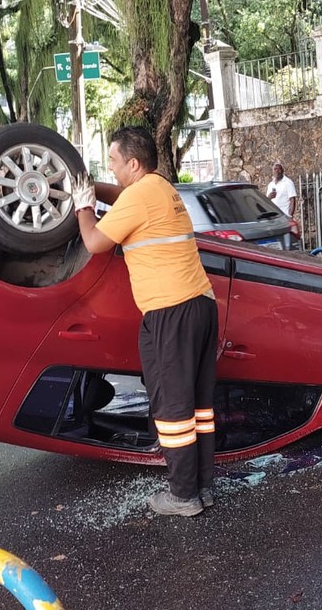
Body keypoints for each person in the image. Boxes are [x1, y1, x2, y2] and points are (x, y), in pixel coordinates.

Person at [72, 127, 219, 517]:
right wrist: (93, 188)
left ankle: (183, 496)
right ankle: (201, 486)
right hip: (199, 305)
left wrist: (81, 206)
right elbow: (121, 196)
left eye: (115, 162)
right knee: (197, 406)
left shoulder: (139, 195)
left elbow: (93, 243)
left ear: (133, 163)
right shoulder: (160, 188)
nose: (112, 169)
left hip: (171, 310)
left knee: (172, 405)